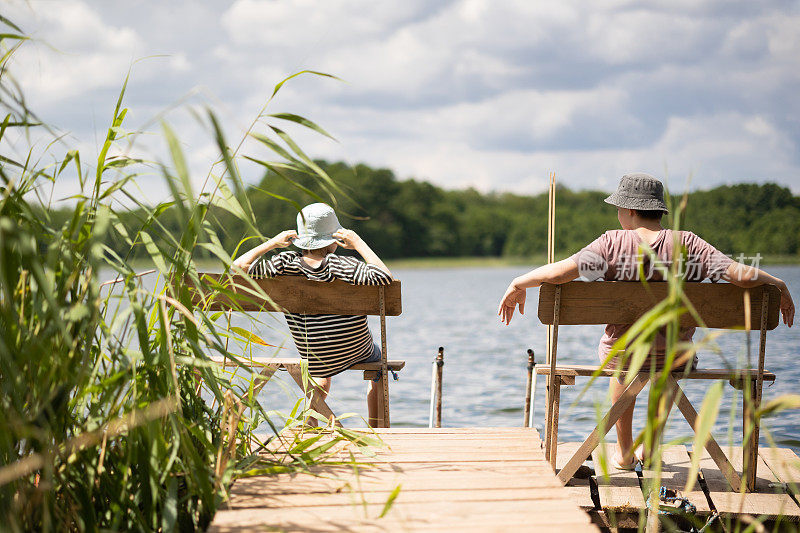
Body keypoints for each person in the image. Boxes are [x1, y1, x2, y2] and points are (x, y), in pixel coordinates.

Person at [498, 173, 795, 468]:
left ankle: (624, 453)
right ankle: (651, 448)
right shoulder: (688, 244)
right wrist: (779, 284)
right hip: (675, 357)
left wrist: (519, 282)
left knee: (621, 367)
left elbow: (559, 274)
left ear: (628, 210)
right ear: (657, 210)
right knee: (668, 367)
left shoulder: (611, 245)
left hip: (622, 356)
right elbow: (741, 276)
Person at [232, 203, 393, 427]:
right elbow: (384, 276)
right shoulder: (343, 265)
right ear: (333, 239)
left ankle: (311, 421)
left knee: (320, 373)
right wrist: (358, 244)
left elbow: (238, 267)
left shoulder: (283, 263)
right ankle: (377, 427)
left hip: (315, 357)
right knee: (378, 364)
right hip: (356, 349)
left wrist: (272, 243)